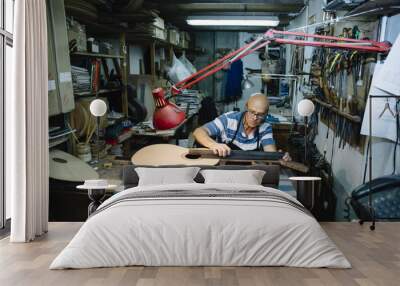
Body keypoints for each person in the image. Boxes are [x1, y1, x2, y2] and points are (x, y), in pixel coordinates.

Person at [193, 93, 291, 161]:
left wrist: (278, 156)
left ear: (266, 114)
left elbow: (270, 151)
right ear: (246, 106)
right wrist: (214, 145)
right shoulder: (229, 119)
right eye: (252, 112)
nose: (255, 118)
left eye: (260, 114)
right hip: (223, 168)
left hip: (250, 171)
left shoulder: (265, 127)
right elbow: (199, 131)